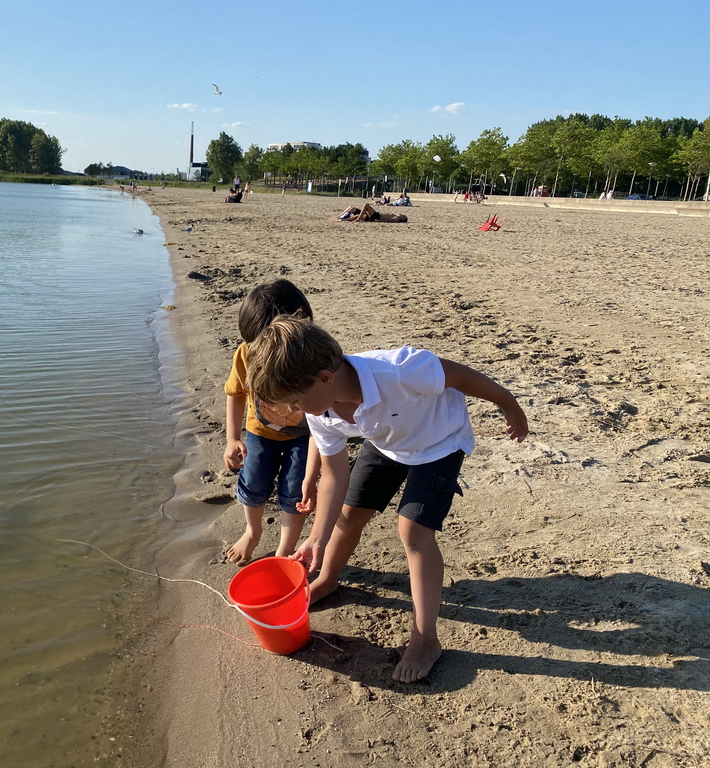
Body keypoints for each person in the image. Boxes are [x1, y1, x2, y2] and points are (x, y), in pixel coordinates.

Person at [245, 315, 529, 682]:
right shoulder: (322, 409)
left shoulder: (402, 369)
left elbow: (463, 377)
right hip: (386, 442)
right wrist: (315, 538)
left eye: (296, 401)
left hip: (438, 443)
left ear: (325, 378)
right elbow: (334, 475)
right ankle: (329, 578)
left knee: (412, 530)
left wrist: (510, 406)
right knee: (348, 515)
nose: (293, 411)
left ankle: (426, 639)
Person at [222, 281, 322, 564]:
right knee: (252, 481)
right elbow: (236, 393)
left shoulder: (310, 359)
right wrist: (232, 438)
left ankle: (285, 549)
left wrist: (314, 473)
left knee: (296, 490)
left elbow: (324, 416)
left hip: (305, 436)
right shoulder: (244, 353)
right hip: (259, 431)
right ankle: (252, 532)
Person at [336, 204, 407, 223]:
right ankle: (343, 220)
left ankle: (358, 219)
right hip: (375, 216)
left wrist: (379, 221)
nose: (403, 215)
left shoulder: (397, 218)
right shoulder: (397, 217)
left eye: (404, 216)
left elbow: (389, 221)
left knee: (366, 206)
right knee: (359, 215)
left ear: (403, 218)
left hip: (377, 216)